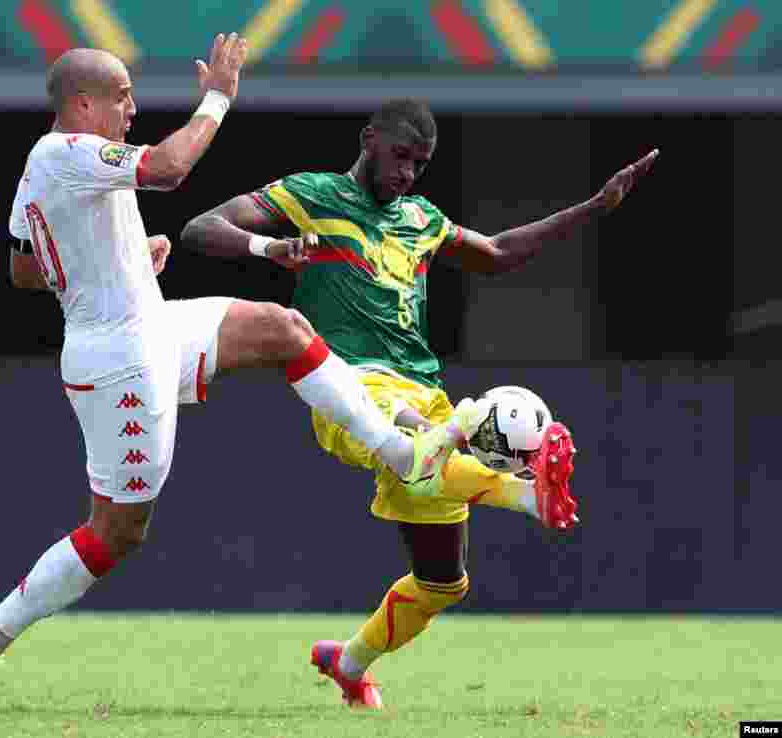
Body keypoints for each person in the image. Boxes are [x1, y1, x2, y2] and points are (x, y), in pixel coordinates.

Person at [0, 42, 460, 720]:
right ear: (83, 104)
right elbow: (168, 169)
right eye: (122, 97)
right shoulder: (64, 153)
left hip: (149, 326)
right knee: (116, 534)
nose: (132, 109)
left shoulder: (49, 167)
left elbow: (24, 268)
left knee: (284, 328)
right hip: (117, 362)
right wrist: (218, 95)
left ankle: (400, 451)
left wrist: (125, 259)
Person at [180, 98, 657, 709]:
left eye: (420, 164)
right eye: (400, 156)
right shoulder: (316, 195)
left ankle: (348, 663)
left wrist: (593, 207)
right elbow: (201, 227)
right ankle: (523, 492)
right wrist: (266, 248)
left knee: (442, 582)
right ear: (368, 140)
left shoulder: (421, 218)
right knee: (419, 451)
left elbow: (498, 252)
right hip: (348, 383)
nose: (407, 172)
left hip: (423, 392)